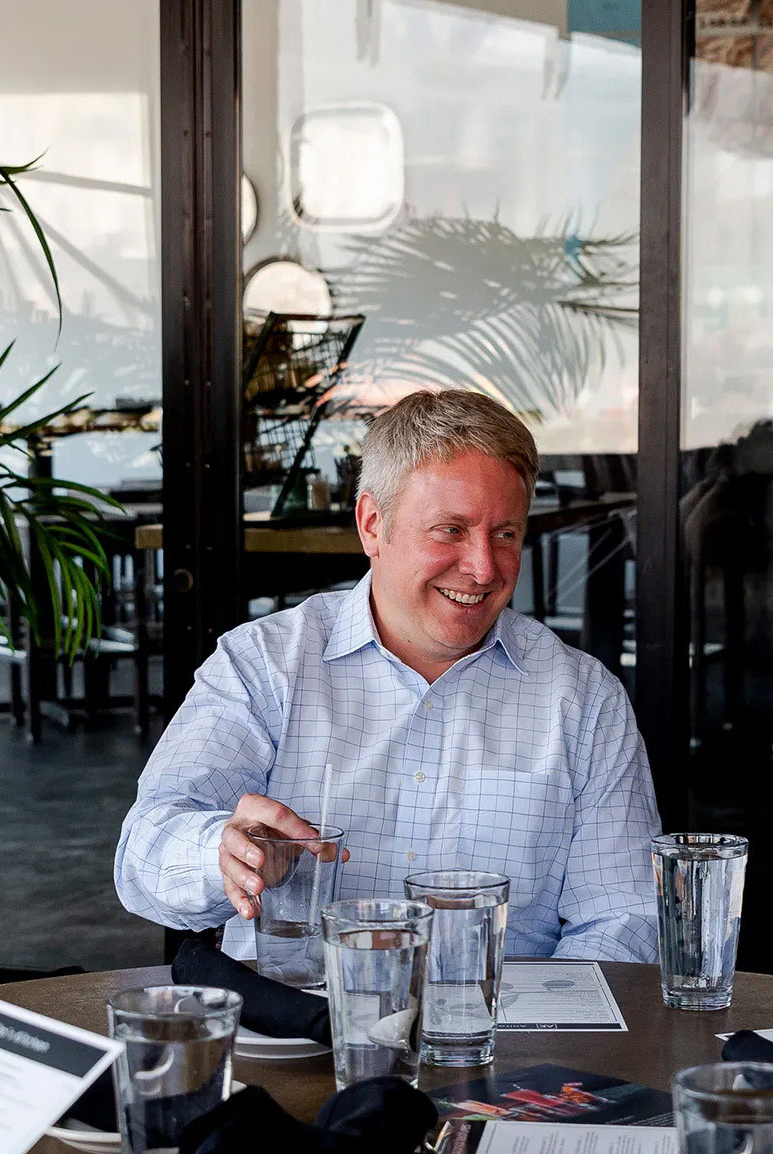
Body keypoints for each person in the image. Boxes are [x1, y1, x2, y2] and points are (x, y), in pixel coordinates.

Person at [119, 389, 659, 962]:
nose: (483, 568)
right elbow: (143, 855)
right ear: (373, 524)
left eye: (506, 533)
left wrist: (530, 1029)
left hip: (499, 1037)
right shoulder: (267, 664)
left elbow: (621, 918)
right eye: (450, 530)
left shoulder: (581, 697)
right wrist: (223, 853)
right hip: (299, 1032)